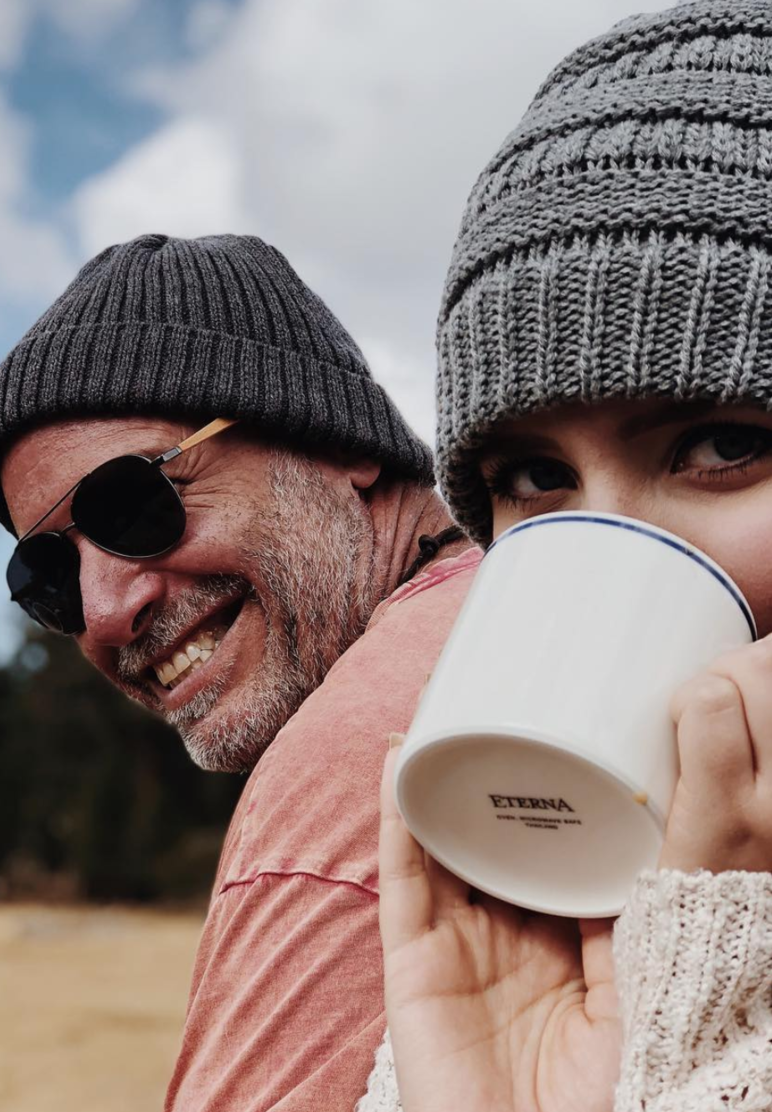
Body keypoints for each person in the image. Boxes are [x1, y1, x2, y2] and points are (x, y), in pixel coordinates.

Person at [0, 233, 483, 1111]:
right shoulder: (503, 628)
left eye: (133, 502)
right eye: (50, 575)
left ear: (336, 441)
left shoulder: (360, 750)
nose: (105, 610)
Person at [361, 2, 772, 1110]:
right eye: (531, 479)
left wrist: (706, 1000)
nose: (601, 546)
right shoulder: (511, 963)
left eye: (725, 444)